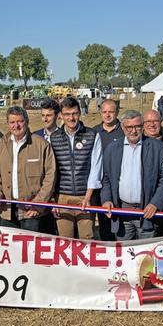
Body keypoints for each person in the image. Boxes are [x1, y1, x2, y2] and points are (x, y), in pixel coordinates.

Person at [101, 110, 163, 240]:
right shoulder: (112, 149)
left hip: (147, 211)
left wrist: (155, 203)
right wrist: (106, 200)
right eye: (129, 127)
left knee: (145, 255)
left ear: (142, 126)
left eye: (137, 126)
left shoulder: (157, 148)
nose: (134, 131)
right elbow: (106, 178)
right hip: (122, 211)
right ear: (123, 127)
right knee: (125, 252)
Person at [0, 107, 56, 232]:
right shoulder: (1, 144)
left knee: (32, 251)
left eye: (20, 121)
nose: (16, 126)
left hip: (33, 212)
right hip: (7, 211)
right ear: (8, 124)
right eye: (12, 122)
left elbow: (50, 177)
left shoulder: (41, 145)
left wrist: (38, 204)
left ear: (27, 122)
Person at [49, 97, 102, 240]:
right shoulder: (53, 138)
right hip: (62, 196)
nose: (71, 118)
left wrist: (88, 196)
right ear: (60, 115)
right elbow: (50, 171)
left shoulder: (92, 135)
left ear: (80, 113)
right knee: (65, 242)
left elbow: (96, 167)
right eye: (67, 114)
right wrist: (53, 199)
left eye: (74, 113)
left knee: (87, 240)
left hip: (85, 196)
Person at [92, 98, 124, 240]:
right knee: (104, 222)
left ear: (117, 112)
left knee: (121, 223)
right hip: (99, 184)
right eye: (104, 112)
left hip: (119, 183)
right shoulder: (94, 132)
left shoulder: (124, 131)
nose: (107, 115)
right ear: (100, 113)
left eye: (111, 111)